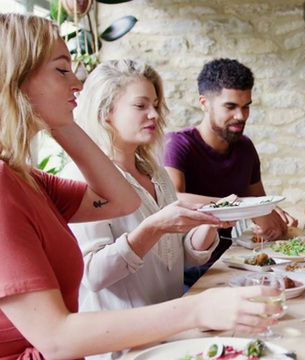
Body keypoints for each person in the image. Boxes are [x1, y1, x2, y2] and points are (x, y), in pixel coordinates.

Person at [0, 13, 280, 359]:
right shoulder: (3, 186)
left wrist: (63, 119)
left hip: (156, 339)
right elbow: (57, 339)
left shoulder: (28, 177)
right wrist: (195, 310)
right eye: (62, 70)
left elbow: (122, 202)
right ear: (17, 79)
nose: (78, 84)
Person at [61, 59, 234, 360]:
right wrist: (154, 227)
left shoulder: (155, 172)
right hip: (122, 348)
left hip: (170, 334)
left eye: (155, 104)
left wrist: (210, 221)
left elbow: (181, 256)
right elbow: (93, 275)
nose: (154, 114)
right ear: (105, 112)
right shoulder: (81, 177)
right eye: (140, 106)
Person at [164, 58, 297, 287]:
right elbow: (174, 197)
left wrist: (270, 218)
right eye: (231, 107)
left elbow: (257, 203)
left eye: (246, 106)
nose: (242, 116)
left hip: (234, 263)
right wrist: (248, 207)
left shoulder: (245, 147)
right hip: (192, 272)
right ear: (204, 103)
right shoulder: (178, 145)